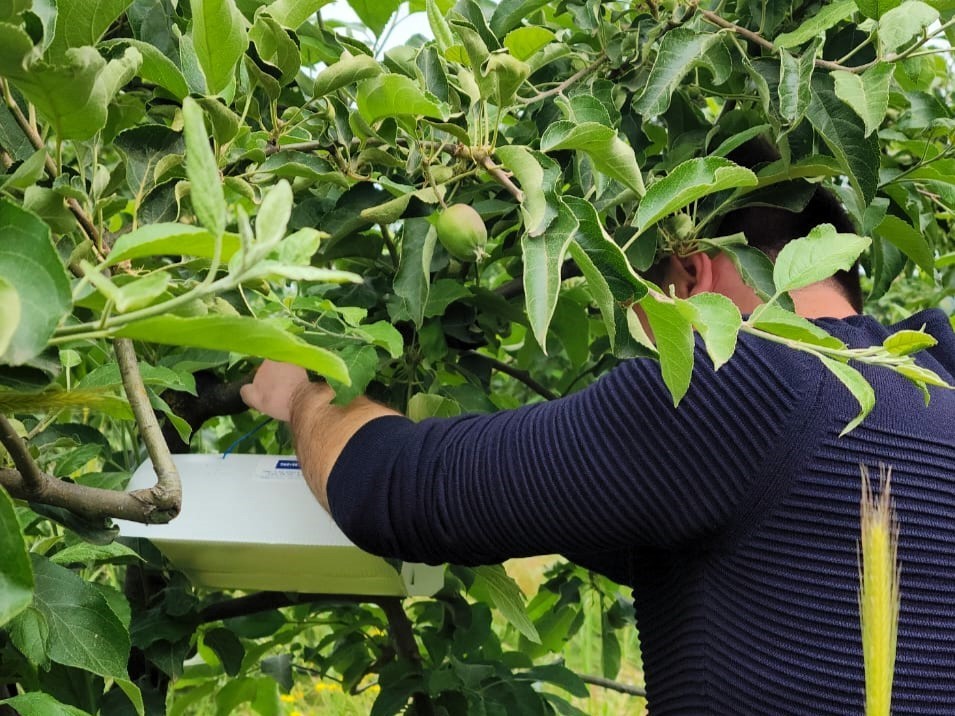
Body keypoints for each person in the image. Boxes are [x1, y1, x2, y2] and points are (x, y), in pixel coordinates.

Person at [240, 181, 955, 714]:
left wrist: (305, 391)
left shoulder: (737, 383)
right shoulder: (937, 391)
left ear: (689, 273)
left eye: (636, 296)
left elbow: (399, 490)